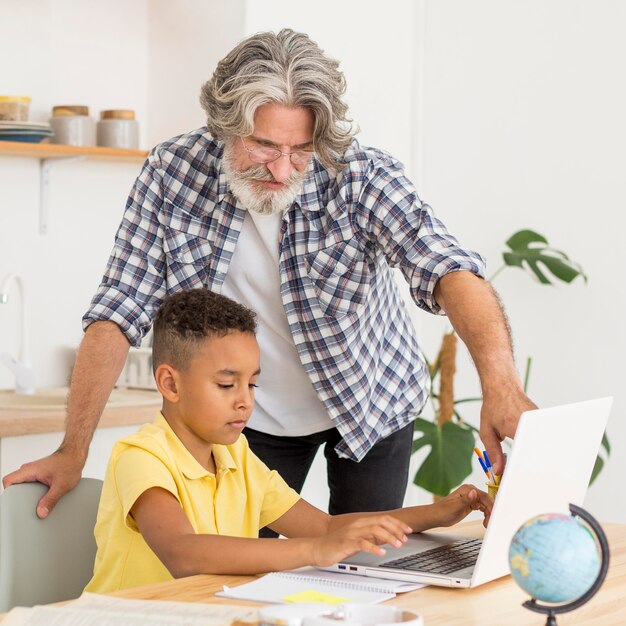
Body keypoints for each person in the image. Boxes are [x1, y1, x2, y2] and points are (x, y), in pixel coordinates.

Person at [3, 29, 534, 521]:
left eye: (299, 150)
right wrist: (72, 451)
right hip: (254, 421)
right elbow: (121, 307)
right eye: (263, 145)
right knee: (247, 574)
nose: (282, 169)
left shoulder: (359, 173)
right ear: (223, 125)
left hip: (371, 400)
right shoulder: (173, 171)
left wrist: (502, 386)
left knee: (366, 565)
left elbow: (447, 268)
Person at [85, 288, 493, 593]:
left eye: (252, 383)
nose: (245, 401)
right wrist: (316, 552)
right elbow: (183, 553)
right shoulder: (141, 456)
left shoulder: (236, 458)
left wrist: (437, 514)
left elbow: (325, 526)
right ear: (170, 384)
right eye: (227, 384)